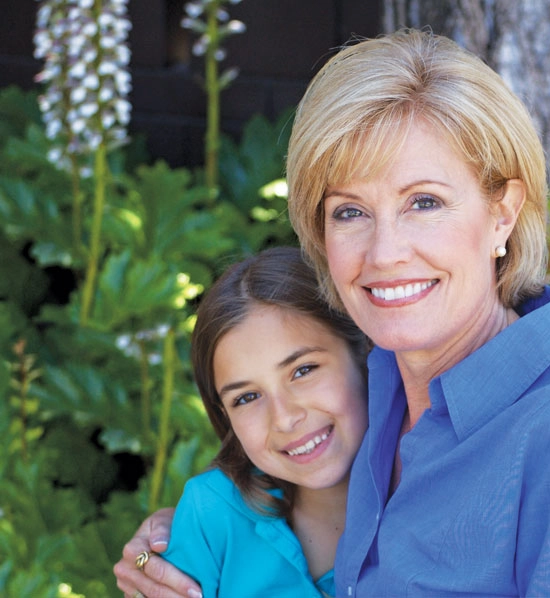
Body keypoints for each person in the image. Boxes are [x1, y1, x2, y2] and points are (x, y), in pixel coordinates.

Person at [115, 28, 550, 597]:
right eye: (350, 211)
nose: (384, 254)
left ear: (503, 214)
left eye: (424, 202)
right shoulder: (381, 394)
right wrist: (167, 546)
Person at [115, 247, 368, 598]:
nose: (284, 417)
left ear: (365, 354)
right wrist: (153, 556)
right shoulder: (212, 515)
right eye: (246, 398)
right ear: (225, 416)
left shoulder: (440, 493)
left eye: (303, 370)